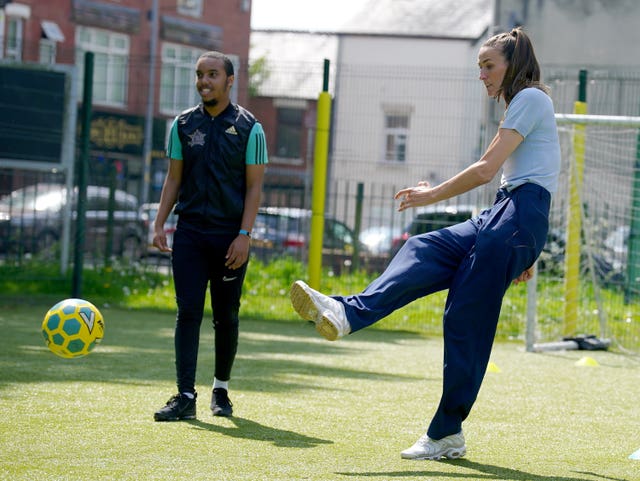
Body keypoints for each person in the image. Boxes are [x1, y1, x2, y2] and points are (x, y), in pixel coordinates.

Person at [290, 27, 560, 459]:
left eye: (488, 66)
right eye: (479, 67)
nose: (482, 75)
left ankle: (447, 432)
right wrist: (523, 246)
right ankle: (345, 313)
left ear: (514, 65)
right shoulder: (521, 104)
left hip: (518, 215)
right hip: (508, 215)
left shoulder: (530, 98)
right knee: (422, 248)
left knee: (464, 317)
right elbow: (530, 174)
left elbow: (487, 169)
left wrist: (430, 195)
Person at [153, 51, 267, 421]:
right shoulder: (182, 125)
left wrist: (244, 235)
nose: (204, 81)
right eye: (200, 75)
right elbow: (174, 179)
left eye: (212, 74)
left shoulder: (251, 128)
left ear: (230, 80)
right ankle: (185, 396)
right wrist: (159, 223)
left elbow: (254, 189)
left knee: (225, 316)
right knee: (187, 313)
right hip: (189, 234)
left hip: (229, 238)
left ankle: (222, 390)